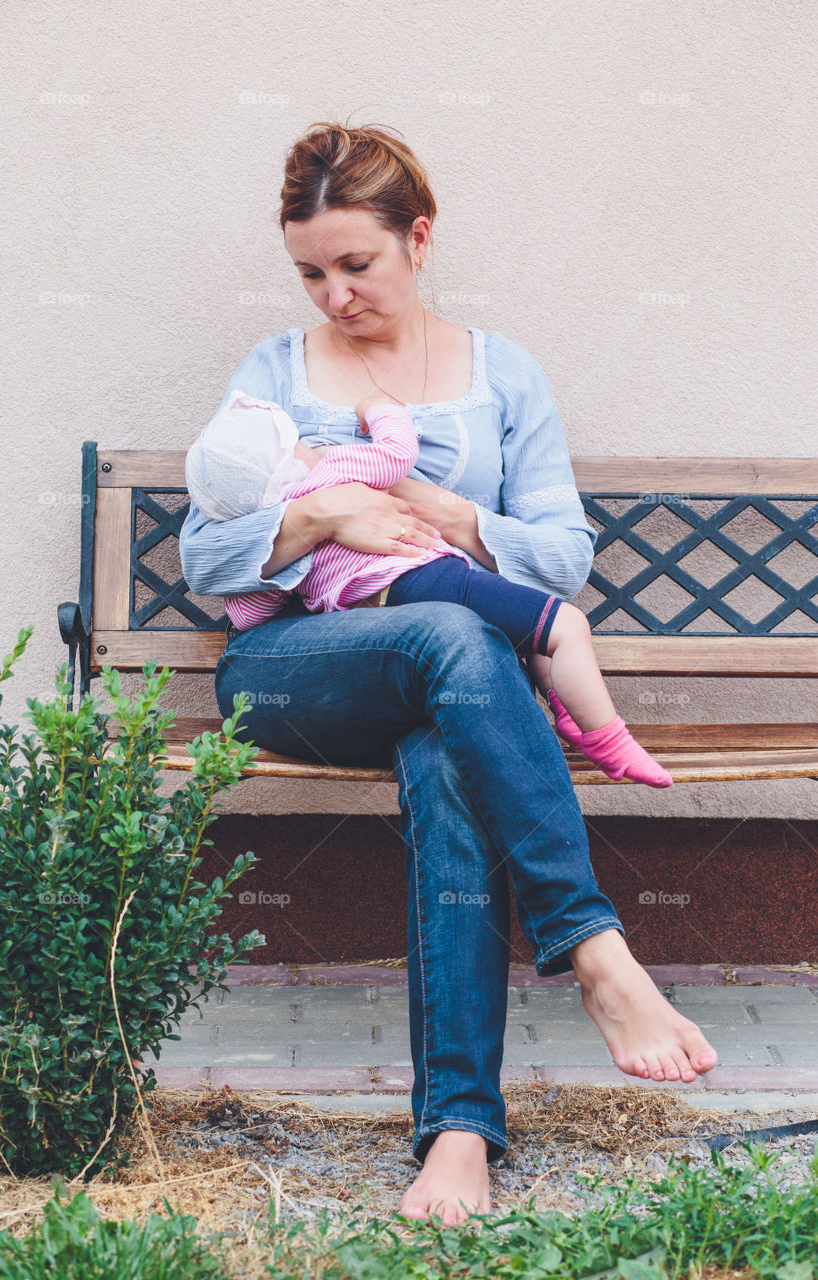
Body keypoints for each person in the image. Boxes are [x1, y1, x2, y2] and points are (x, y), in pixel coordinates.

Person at [178, 119, 718, 1226]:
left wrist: (451, 515)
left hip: (450, 687)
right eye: (310, 272)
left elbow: (562, 556)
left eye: (356, 264)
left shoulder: (500, 373)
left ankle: (459, 1132)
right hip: (294, 671)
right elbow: (203, 555)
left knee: (452, 727)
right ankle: (596, 952)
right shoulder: (272, 372)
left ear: (418, 239)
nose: (332, 294)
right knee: (456, 640)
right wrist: (321, 513)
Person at [185, 391, 672, 786]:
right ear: (288, 464)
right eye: (297, 443)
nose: (311, 446)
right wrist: (379, 409)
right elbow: (398, 454)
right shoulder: (332, 474)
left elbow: (251, 614)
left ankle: (566, 710)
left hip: (369, 623)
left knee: (528, 637)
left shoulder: (275, 527)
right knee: (565, 624)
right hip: (425, 584)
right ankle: (608, 739)